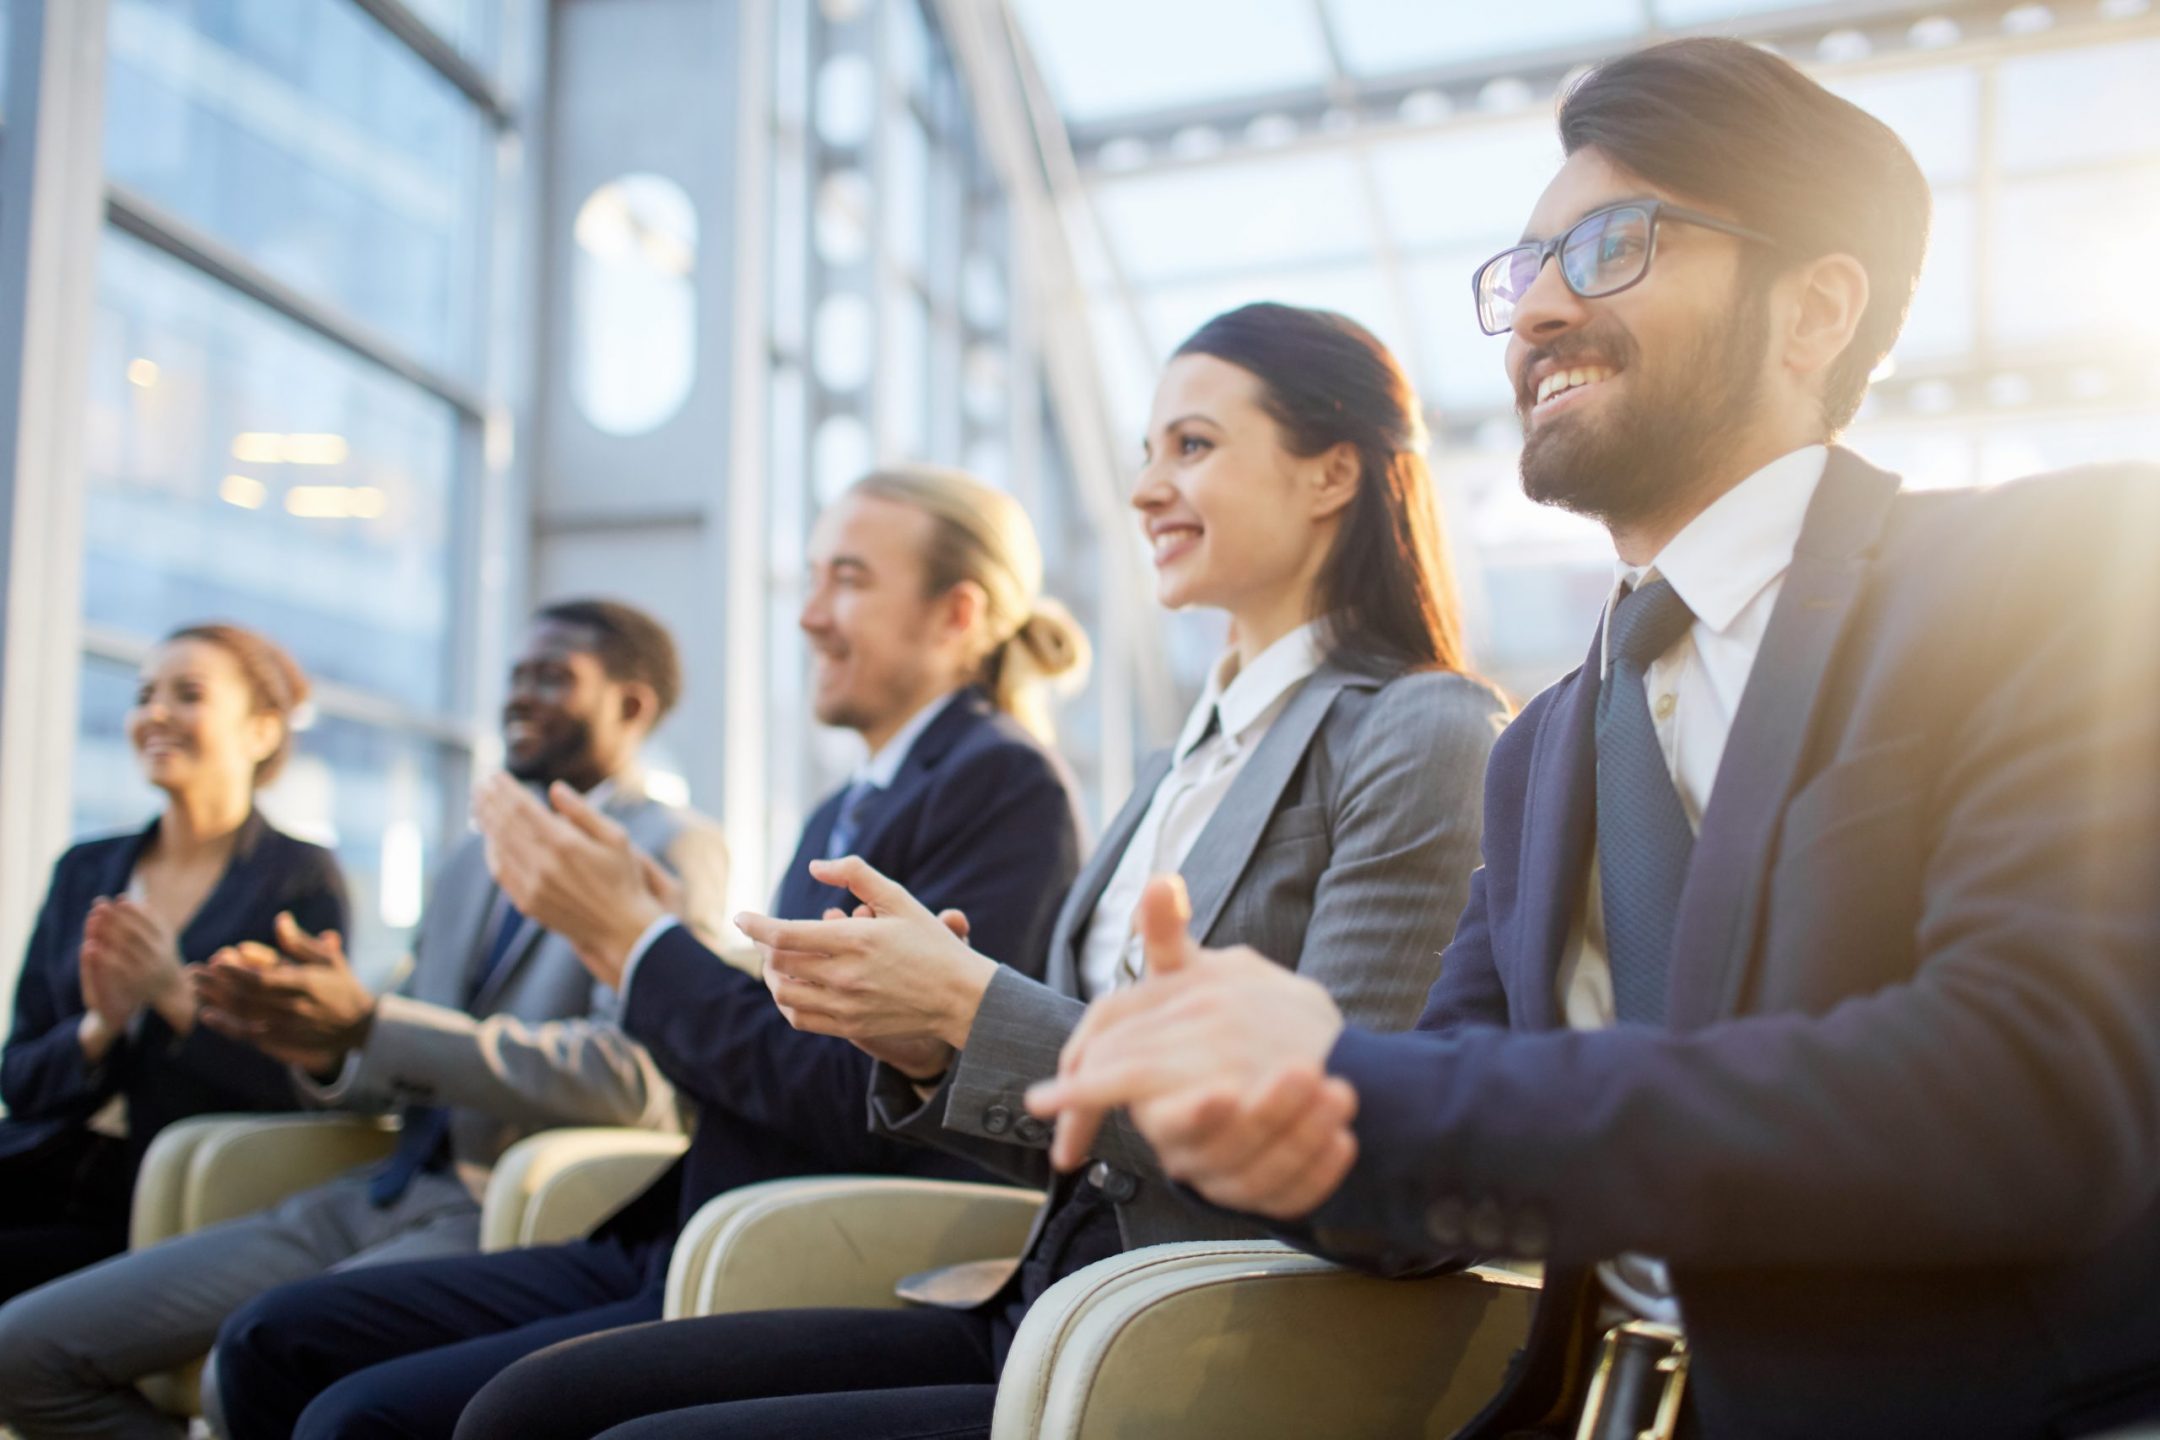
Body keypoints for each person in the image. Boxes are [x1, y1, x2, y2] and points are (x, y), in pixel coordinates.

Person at [1024, 37, 2160, 1440]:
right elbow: (1425, 1152)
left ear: (1814, 310)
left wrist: (1356, 1083)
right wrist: (1269, 1127)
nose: (1536, 312)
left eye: (1612, 244)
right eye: (1524, 267)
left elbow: (2027, 1092)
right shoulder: (1541, 747)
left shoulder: (2057, 569)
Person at [452, 302, 1512, 1440]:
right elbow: (1061, 1122)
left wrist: (973, 1004)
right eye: (1145, 454)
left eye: (1192, 447)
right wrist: (926, 1047)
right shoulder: (1177, 764)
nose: (1148, 489)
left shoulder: (1420, 727)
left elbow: (1348, 1134)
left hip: (1189, 1340)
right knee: (533, 1408)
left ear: (1330, 474)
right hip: (1044, 1300)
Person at [208, 466, 1090, 1440]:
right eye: (810, 578)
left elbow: (863, 1099)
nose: (807, 616)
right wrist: (661, 941)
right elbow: (788, 1039)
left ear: (954, 614)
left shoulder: (1003, 787)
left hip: (777, 1246)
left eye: (846, 579)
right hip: (684, 1224)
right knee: (272, 1340)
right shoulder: (849, 804)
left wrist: (635, 940)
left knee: (357, 1414)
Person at [0, 599, 729, 1440]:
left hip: (501, 1207)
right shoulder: (474, 857)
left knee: (259, 1366)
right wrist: (320, 1041)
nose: (518, 697)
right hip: (378, 1186)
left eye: (551, 677)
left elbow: (639, 1079)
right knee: (25, 1350)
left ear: (631, 707)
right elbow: (399, 1035)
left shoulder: (672, 843)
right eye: (514, 677)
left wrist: (372, 1025)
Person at [0, 624, 345, 1303]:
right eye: (144, 695)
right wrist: (99, 1027)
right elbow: (19, 1077)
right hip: (39, 1167)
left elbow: (299, 1091)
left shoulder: (297, 880)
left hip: (168, 1202)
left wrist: (174, 998)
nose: (155, 714)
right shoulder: (86, 870)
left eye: (188, 695)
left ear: (261, 732)